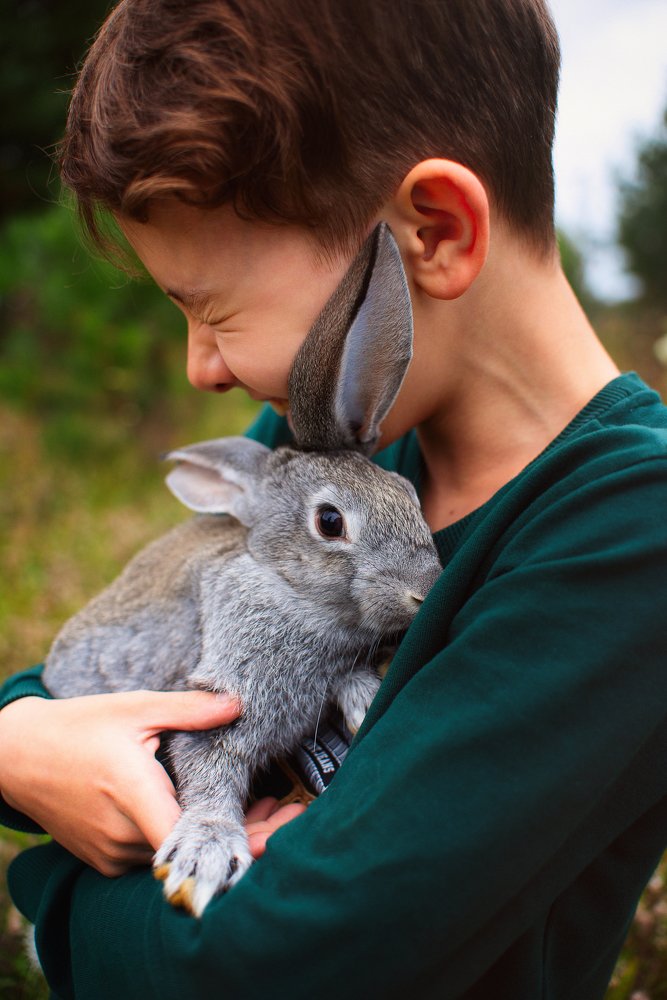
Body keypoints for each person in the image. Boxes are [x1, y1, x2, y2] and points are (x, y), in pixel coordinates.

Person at [1, 0, 666, 996]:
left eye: (210, 309)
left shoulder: (627, 533)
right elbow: (76, 684)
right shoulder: (329, 444)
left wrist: (54, 894)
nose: (200, 367)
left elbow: (276, 965)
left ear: (431, 233)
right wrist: (17, 744)